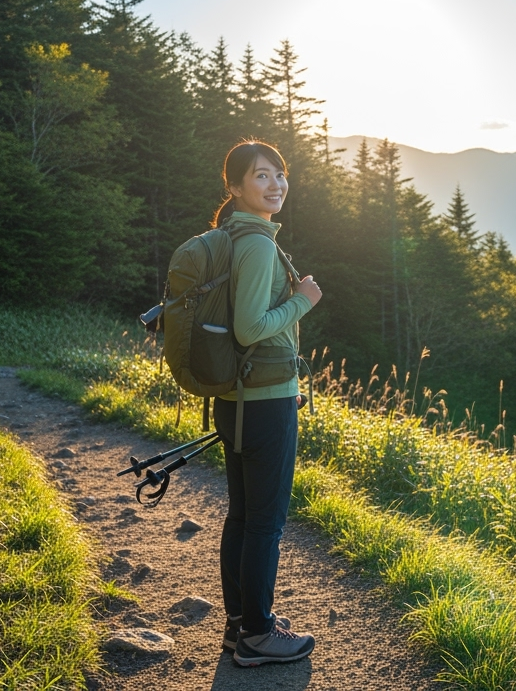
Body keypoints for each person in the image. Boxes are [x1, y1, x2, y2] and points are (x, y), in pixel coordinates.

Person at [210, 140, 323, 666]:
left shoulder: (231, 237)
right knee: (265, 523)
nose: (275, 184)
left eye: (279, 173)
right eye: (261, 175)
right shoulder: (255, 244)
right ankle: (258, 634)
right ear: (234, 187)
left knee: (242, 516)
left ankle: (240, 626)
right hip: (264, 402)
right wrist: (303, 301)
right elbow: (250, 327)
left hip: (237, 398)